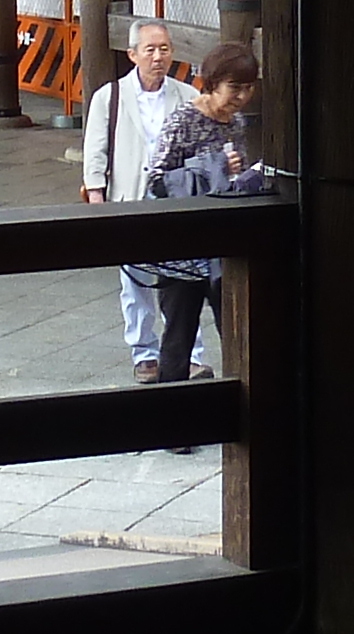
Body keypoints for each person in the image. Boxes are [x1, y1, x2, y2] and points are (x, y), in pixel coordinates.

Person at [138, 43, 272, 386]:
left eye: (249, 87)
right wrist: (209, 166)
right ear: (212, 83)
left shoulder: (236, 122)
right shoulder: (183, 120)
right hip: (182, 248)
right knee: (179, 336)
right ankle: (174, 422)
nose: (242, 97)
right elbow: (157, 180)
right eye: (235, 88)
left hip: (222, 245)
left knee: (237, 329)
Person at [78, 22, 186, 381]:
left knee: (182, 283)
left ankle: (189, 353)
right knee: (134, 282)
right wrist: (97, 197)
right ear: (133, 54)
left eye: (165, 49)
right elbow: (95, 151)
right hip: (129, 196)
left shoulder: (186, 95)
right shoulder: (110, 97)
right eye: (151, 49)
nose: (158, 57)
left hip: (174, 201)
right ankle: (144, 353)